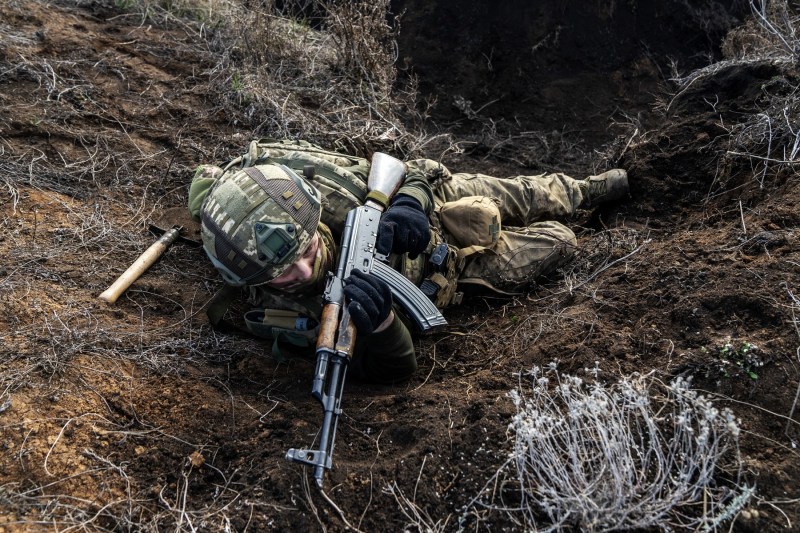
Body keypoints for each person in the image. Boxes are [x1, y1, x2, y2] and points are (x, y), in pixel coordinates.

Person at [188, 139, 628, 383]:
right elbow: (394, 368)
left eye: (305, 251)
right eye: (282, 273)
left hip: (435, 205)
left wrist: (410, 204)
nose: (303, 272)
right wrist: (381, 326)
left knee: (530, 195)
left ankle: (590, 189)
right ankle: (570, 218)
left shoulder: (328, 190)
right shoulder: (271, 312)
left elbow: (405, 168)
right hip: (445, 274)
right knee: (560, 242)